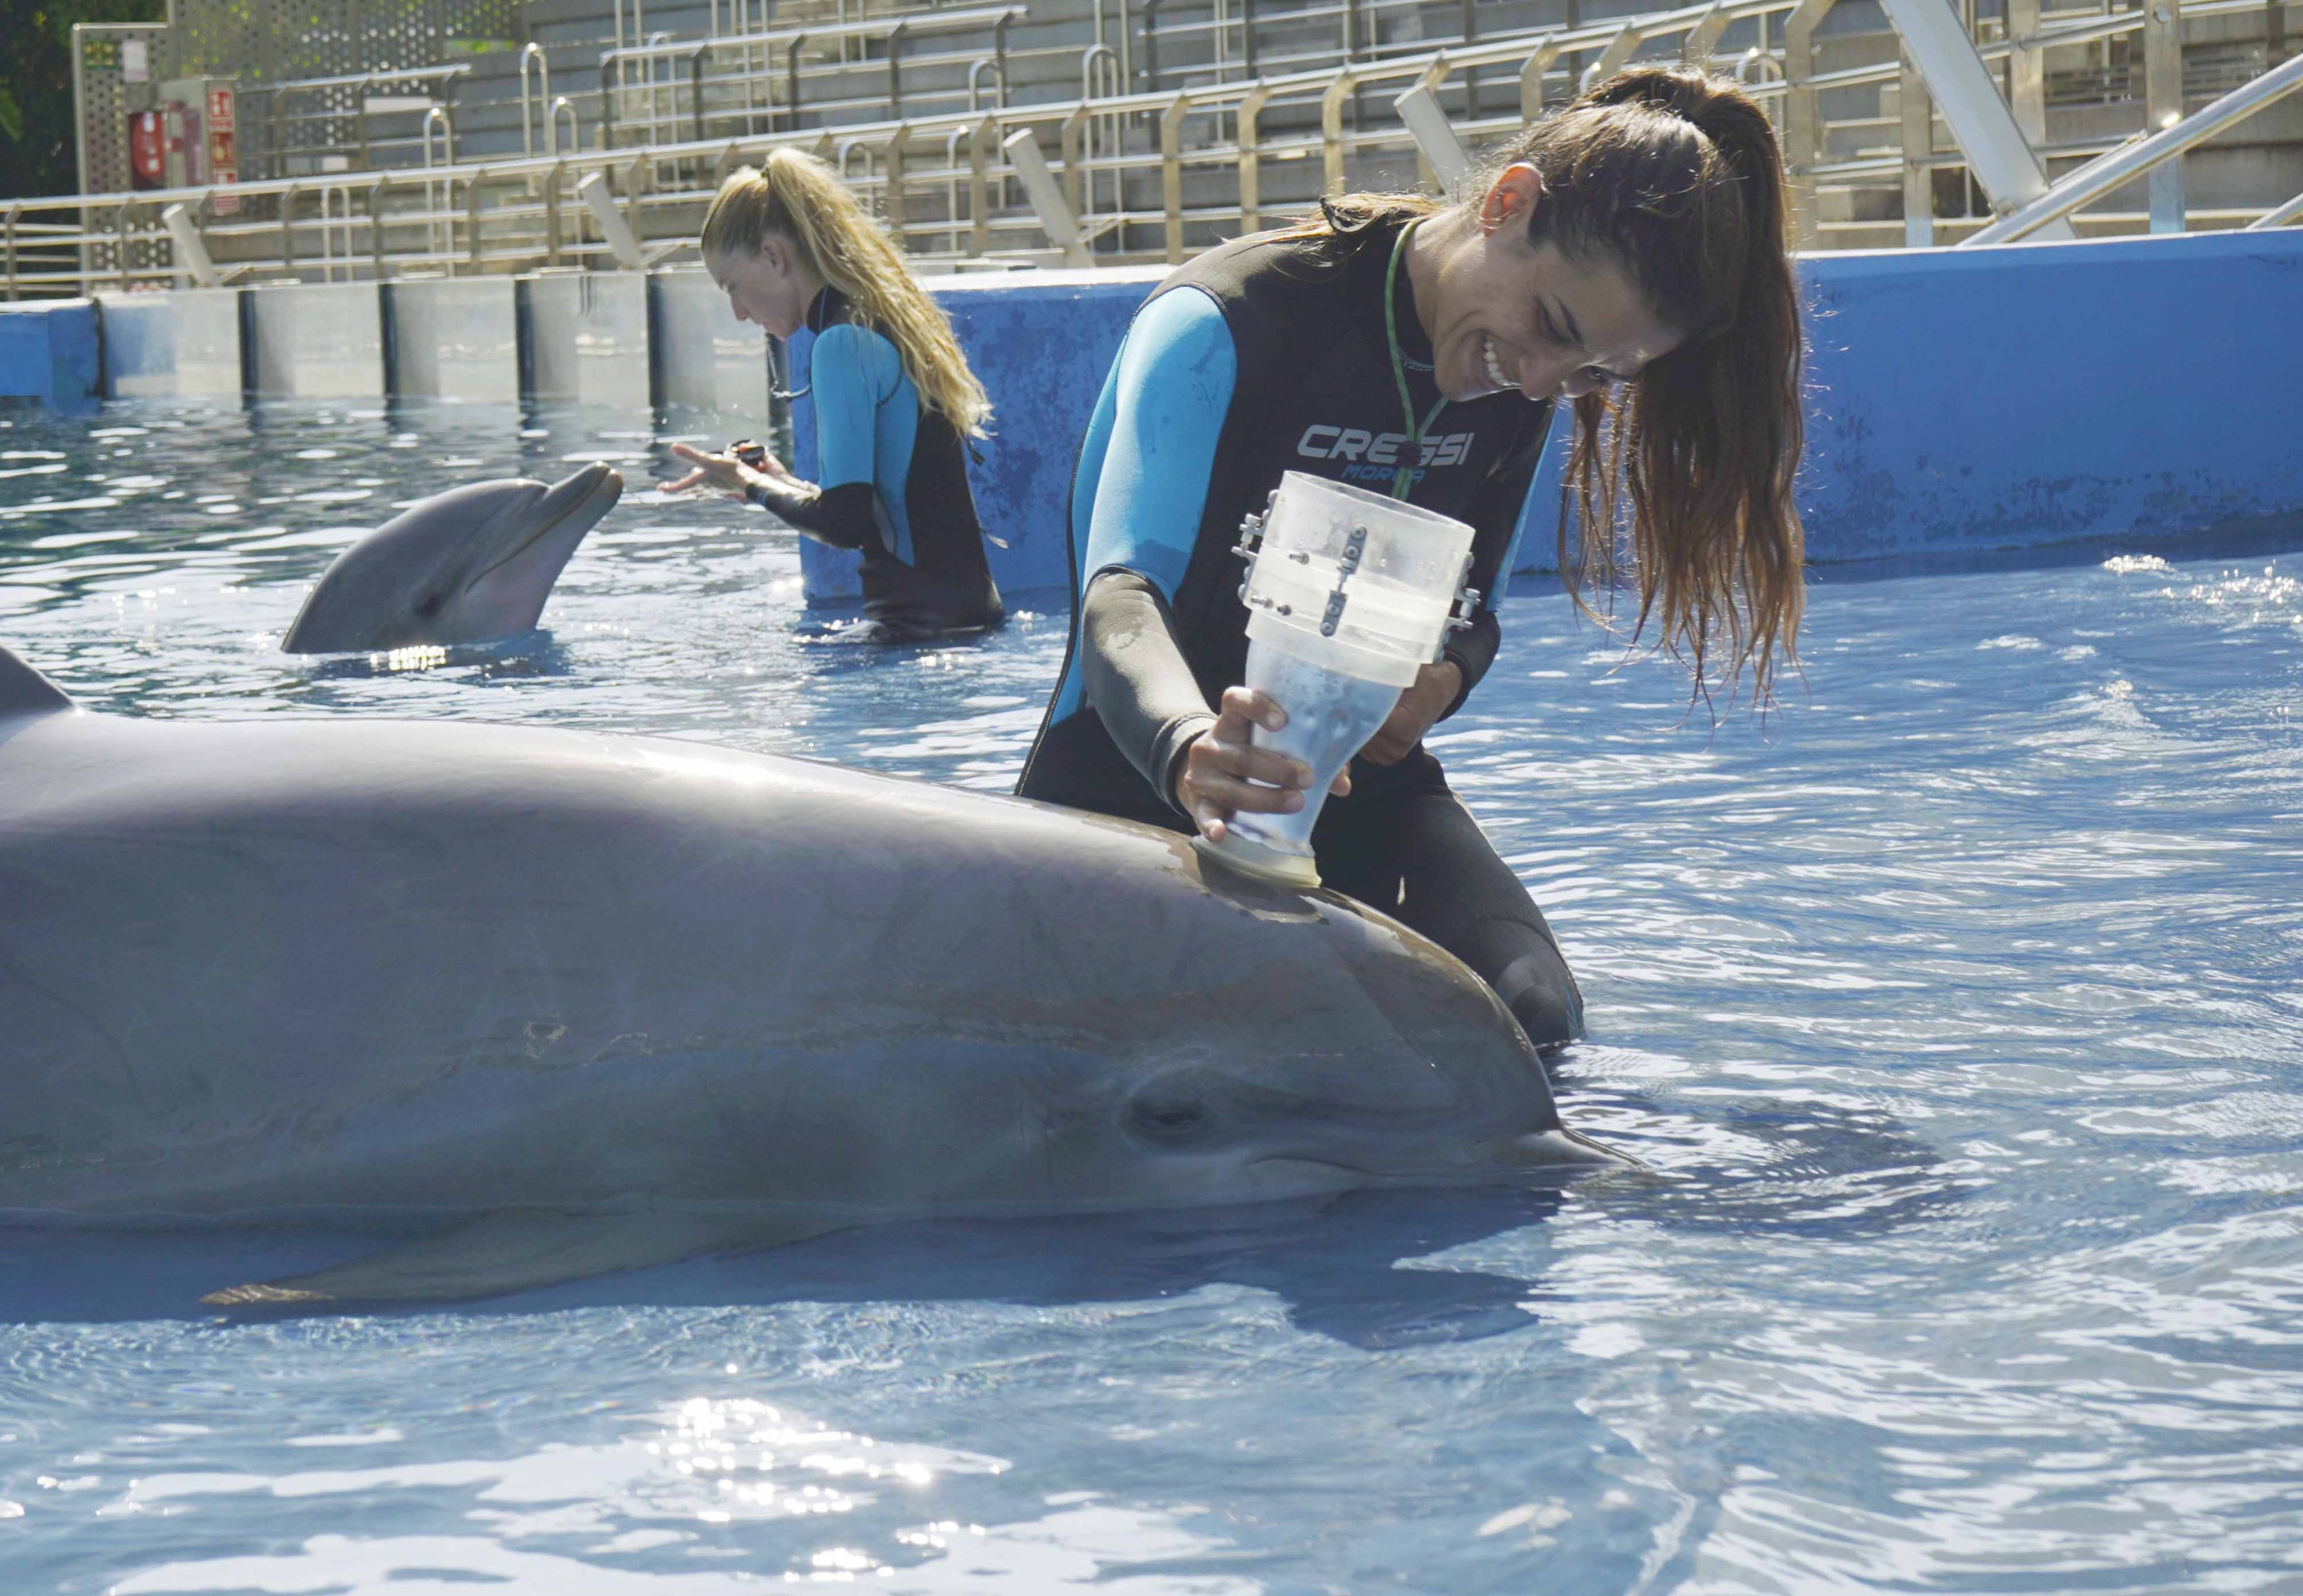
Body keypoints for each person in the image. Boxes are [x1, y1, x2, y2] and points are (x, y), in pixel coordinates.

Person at [1015, 67, 1807, 1047]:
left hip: (1341, 794)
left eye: (1595, 372)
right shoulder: (1231, 319)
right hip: (1130, 777)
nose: (1542, 380)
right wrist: (1190, 749)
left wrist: (1435, 687)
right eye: (1553, 328)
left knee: (1531, 1017)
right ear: (1509, 204)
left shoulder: (1523, 392)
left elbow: (1471, 616)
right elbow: (1120, 600)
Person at [661, 149, 1006, 637]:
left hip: (921, 631)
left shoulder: (840, 344)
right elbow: (874, 508)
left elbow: (844, 523)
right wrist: (782, 482)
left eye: (732, 286)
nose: (739, 311)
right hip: (961, 619)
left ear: (774, 256)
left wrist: (750, 484)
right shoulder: (876, 318)